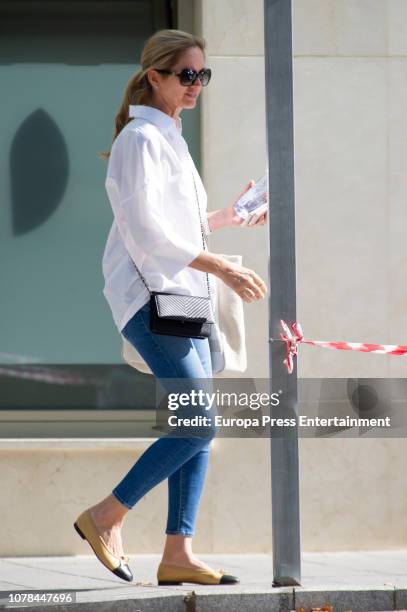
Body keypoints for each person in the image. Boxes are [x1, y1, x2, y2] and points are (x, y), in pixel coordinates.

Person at [73, 28, 268, 587]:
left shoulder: (172, 138)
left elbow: (180, 227)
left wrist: (229, 217)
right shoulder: (141, 140)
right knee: (198, 422)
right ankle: (105, 516)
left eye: (202, 75)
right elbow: (147, 235)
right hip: (152, 298)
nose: (196, 85)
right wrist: (223, 267)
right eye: (187, 74)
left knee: (198, 427)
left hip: (186, 297)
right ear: (154, 75)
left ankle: (178, 552)